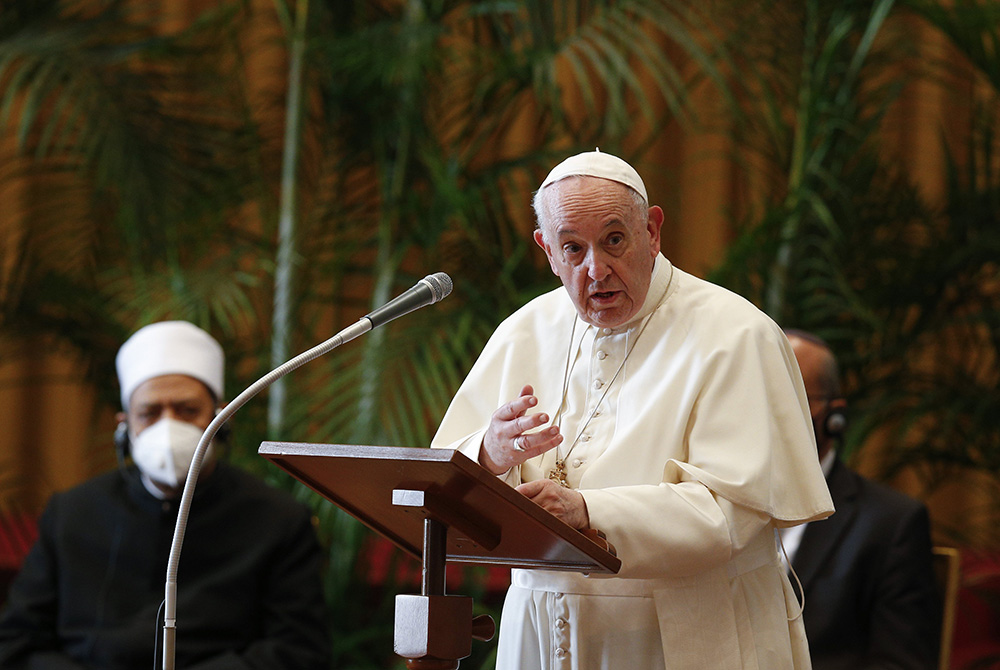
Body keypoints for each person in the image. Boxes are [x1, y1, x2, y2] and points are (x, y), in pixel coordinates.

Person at [430, 150, 835, 669]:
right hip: (542, 637)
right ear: (547, 252)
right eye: (572, 248)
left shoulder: (736, 334)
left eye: (614, 240)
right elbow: (443, 483)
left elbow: (730, 514)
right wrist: (488, 453)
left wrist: (588, 512)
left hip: (684, 638)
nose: (596, 269)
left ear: (653, 230)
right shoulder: (523, 332)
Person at [0, 321, 330, 670]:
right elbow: (16, 644)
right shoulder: (71, 514)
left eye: (187, 411)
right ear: (124, 426)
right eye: (149, 413)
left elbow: (300, 651)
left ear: (220, 418)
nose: (168, 426)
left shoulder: (277, 519)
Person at [781, 329, 941, 670]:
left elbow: (900, 661)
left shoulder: (891, 522)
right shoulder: (705, 501)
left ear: (834, 416)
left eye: (790, 396)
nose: (769, 413)